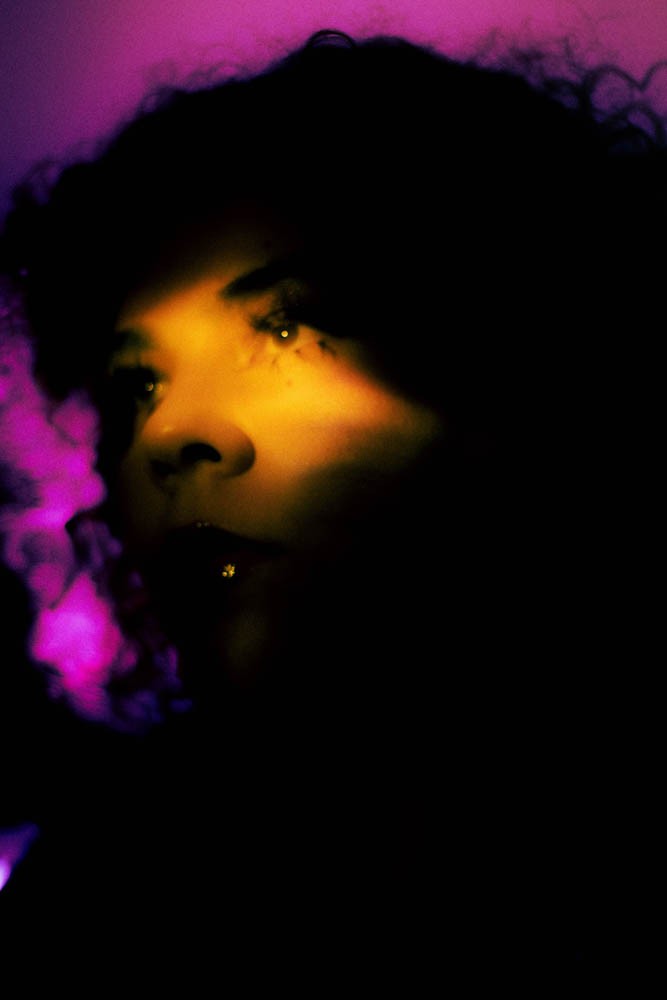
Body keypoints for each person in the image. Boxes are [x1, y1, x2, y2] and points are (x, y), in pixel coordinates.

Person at [0, 29, 663, 976]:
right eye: (135, 383)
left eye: (286, 328)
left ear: (525, 360)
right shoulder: (99, 891)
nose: (168, 433)